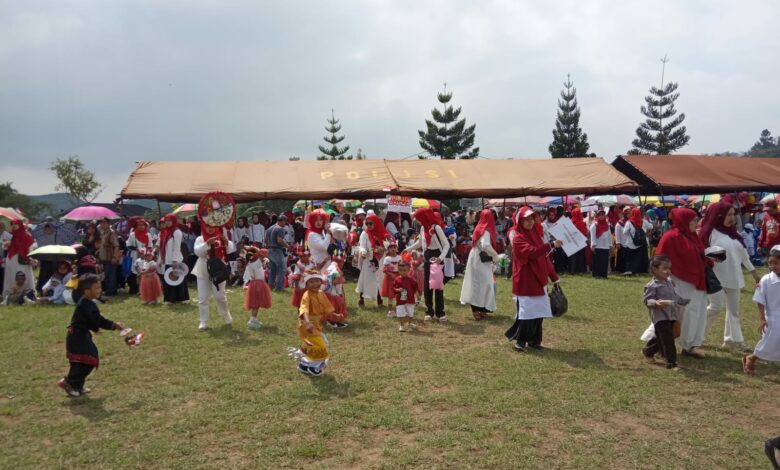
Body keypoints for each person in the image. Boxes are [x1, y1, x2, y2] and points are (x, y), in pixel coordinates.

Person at [701, 201, 761, 351]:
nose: (732, 218)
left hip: (734, 276)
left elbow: (743, 255)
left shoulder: (735, 234)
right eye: (729, 214)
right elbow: (701, 254)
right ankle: (696, 334)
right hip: (715, 278)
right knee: (715, 307)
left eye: (733, 214)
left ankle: (733, 340)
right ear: (719, 215)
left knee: (734, 311)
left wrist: (754, 272)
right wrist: (710, 258)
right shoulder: (708, 232)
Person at [504, 206, 562, 351]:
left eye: (532, 219)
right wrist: (550, 245)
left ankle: (535, 341)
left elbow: (544, 258)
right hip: (526, 280)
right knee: (527, 312)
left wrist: (554, 277)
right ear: (520, 221)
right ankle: (521, 341)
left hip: (539, 279)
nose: (530, 222)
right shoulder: (518, 237)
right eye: (526, 219)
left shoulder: (536, 234)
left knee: (539, 312)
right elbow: (532, 253)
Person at [655, 208, 710, 359]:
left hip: (697, 281)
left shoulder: (693, 236)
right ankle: (658, 344)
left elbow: (699, 255)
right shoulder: (670, 237)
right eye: (692, 220)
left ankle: (689, 345)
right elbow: (660, 259)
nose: (696, 223)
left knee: (696, 313)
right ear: (684, 220)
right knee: (677, 314)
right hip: (678, 281)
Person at [57, 274, 124, 397]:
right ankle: (69, 382)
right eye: (97, 288)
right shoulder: (87, 304)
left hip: (78, 335)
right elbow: (98, 320)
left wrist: (95, 328)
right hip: (78, 336)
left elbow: (90, 320)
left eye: (100, 287)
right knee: (89, 360)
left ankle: (78, 386)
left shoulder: (86, 302)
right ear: (87, 291)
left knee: (79, 362)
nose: (100, 290)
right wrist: (113, 325)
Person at [641, 256, 690, 370]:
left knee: (662, 338)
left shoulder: (669, 283)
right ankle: (671, 363)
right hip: (660, 318)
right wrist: (656, 303)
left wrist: (683, 301)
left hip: (671, 315)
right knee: (668, 341)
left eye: (669, 268)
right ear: (655, 269)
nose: (668, 271)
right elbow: (647, 300)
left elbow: (674, 296)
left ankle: (648, 351)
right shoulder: (652, 285)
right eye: (665, 268)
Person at [405, 208, 450, 321]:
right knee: (427, 286)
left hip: (437, 255)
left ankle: (440, 313)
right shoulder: (422, 228)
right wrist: (408, 249)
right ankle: (429, 311)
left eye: (419, 218)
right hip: (427, 255)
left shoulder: (436, 227)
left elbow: (446, 245)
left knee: (438, 286)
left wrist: (440, 258)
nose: (418, 221)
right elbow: (420, 242)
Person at [742, 245, 780, 375]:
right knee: (769, 341)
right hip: (772, 316)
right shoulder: (766, 280)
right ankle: (751, 358)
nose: (772, 266)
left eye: (776, 263)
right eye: (770, 263)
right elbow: (760, 299)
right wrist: (762, 318)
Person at [460, 208, 500, 320]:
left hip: (478, 258)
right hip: (480, 258)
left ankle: (481, 308)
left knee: (482, 283)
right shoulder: (486, 229)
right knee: (481, 283)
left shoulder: (481, 227)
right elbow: (486, 245)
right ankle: (476, 309)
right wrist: (495, 255)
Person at [193, 224, 235, 331]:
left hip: (218, 269)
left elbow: (230, 249)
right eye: (207, 226)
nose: (210, 228)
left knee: (220, 296)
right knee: (202, 297)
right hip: (203, 268)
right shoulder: (200, 238)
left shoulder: (220, 236)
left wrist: (226, 242)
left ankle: (226, 314)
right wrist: (206, 244)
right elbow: (197, 252)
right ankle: (203, 321)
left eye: (212, 226)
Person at [296, 270, 334, 376]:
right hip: (306, 325)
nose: (315, 284)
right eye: (311, 282)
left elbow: (327, 307)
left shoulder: (321, 293)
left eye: (317, 281)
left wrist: (335, 316)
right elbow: (304, 310)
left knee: (314, 344)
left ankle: (304, 365)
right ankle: (314, 367)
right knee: (320, 345)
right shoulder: (306, 295)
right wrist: (308, 323)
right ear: (306, 284)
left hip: (315, 325)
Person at [355, 213, 388, 307]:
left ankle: (379, 300)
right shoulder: (364, 234)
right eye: (367, 223)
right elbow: (362, 246)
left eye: (371, 223)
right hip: (369, 260)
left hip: (380, 259)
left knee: (379, 279)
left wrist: (384, 248)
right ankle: (361, 298)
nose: (368, 225)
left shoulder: (382, 232)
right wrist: (363, 252)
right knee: (366, 279)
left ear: (376, 223)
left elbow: (387, 244)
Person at [157, 214, 189, 303]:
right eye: (166, 221)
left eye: (169, 220)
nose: (167, 222)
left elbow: (177, 247)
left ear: (174, 221)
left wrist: (175, 260)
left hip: (176, 260)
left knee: (178, 279)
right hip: (167, 259)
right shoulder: (167, 232)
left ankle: (182, 298)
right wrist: (163, 257)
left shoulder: (176, 232)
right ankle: (170, 298)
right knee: (169, 279)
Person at [2, 218, 35, 298]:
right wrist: (6, 245)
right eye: (12, 224)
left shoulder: (26, 236)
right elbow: (5, 248)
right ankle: (10, 294)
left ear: (20, 225)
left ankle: (27, 295)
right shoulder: (12, 236)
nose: (14, 225)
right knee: (11, 275)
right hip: (11, 260)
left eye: (15, 224)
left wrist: (31, 259)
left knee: (23, 275)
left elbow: (30, 248)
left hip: (22, 260)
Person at [243, 247, 272, 331]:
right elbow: (264, 254)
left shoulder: (250, 263)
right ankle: (252, 320)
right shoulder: (257, 262)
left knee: (256, 304)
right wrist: (255, 249)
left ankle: (254, 319)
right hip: (258, 284)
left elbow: (264, 256)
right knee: (256, 304)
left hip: (254, 284)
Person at [322, 247, 348, 328]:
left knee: (329, 307)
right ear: (341, 262)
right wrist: (340, 296)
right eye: (343, 262)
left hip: (324, 291)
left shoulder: (330, 267)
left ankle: (329, 320)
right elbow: (338, 286)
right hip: (332, 292)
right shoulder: (337, 271)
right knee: (336, 306)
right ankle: (333, 322)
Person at [126, 218, 153, 296]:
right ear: (136, 226)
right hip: (135, 255)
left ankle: (144, 289)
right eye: (139, 225)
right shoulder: (133, 234)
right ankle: (134, 289)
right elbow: (128, 245)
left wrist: (147, 254)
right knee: (135, 271)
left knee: (144, 271)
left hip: (145, 257)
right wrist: (137, 249)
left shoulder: (148, 235)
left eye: (143, 225)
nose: (141, 227)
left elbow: (150, 246)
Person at [96, 217, 120, 297]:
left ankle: (111, 291)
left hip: (110, 257)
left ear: (108, 223)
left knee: (111, 275)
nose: (102, 224)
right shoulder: (102, 232)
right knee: (107, 275)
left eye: (104, 222)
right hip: (104, 257)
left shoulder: (111, 232)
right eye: (101, 223)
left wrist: (115, 257)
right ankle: (108, 290)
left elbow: (116, 246)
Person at [266, 215, 290, 292]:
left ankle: (270, 286)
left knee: (272, 269)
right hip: (277, 250)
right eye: (285, 222)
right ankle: (279, 287)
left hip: (269, 250)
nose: (285, 224)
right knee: (281, 269)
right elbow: (279, 240)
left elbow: (266, 240)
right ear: (282, 221)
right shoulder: (280, 229)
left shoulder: (270, 228)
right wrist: (287, 246)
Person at [394, 260, 419, 332]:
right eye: (400, 270)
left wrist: (417, 295)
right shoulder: (397, 279)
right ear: (398, 270)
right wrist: (398, 290)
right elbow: (393, 288)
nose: (402, 272)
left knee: (410, 313)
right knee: (400, 313)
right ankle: (401, 325)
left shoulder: (411, 279)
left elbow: (415, 287)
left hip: (410, 299)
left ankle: (409, 323)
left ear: (408, 270)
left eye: (405, 270)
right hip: (400, 300)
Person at [622, 207, 648, 276]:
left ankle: (629, 271)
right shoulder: (641, 221)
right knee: (637, 259)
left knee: (629, 259)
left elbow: (624, 232)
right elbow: (647, 228)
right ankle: (636, 272)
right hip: (639, 243)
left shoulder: (629, 222)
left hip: (630, 243)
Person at [34, 218, 57, 294]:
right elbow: (40, 247)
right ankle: (40, 289)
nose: (47, 229)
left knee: (53, 273)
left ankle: (51, 289)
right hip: (44, 258)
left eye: (49, 228)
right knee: (44, 273)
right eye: (46, 228)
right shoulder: (41, 237)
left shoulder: (55, 236)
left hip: (54, 257)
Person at [380, 241, 401, 317]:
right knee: (391, 294)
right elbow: (384, 269)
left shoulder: (399, 257)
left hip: (398, 277)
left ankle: (399, 309)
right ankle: (390, 311)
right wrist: (391, 274)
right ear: (388, 250)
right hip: (390, 278)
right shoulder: (387, 258)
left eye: (394, 247)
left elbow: (401, 266)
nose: (393, 249)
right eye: (391, 248)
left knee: (399, 293)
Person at [590, 209, 612, 279]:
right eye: (600, 215)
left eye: (603, 215)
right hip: (598, 246)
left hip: (605, 246)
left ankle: (603, 275)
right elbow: (592, 235)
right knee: (597, 261)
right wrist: (593, 245)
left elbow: (609, 235)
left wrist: (610, 245)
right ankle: (597, 274)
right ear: (598, 216)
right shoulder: (594, 224)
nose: (602, 216)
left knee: (604, 261)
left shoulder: (607, 225)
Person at [568, 208, 588, 274]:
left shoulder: (570, 222)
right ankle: (581, 269)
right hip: (581, 242)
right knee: (581, 256)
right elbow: (585, 232)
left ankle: (572, 270)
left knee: (573, 257)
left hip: (572, 242)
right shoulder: (581, 223)